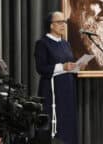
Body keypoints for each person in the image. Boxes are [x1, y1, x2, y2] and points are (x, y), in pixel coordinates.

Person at [35, 11, 84, 144]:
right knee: (55, 126)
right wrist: (63, 67)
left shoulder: (65, 44)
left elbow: (69, 65)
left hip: (67, 90)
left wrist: (77, 66)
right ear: (51, 25)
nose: (63, 25)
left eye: (64, 22)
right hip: (52, 92)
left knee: (68, 123)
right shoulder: (43, 43)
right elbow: (41, 68)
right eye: (60, 22)